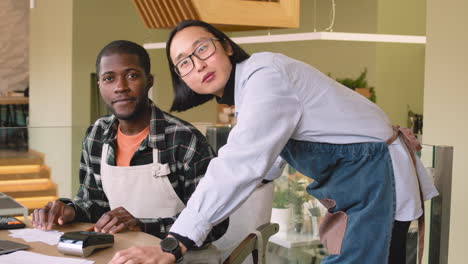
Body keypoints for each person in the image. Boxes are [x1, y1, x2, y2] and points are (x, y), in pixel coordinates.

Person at [109, 21, 439, 264]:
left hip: (377, 180)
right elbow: (270, 153)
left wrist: (176, 242)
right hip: (364, 183)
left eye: (202, 48)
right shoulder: (252, 89)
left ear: (225, 45)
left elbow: (240, 163)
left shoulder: (264, 75)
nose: (198, 64)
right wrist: (260, 178)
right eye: (184, 62)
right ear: (183, 80)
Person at [31, 40, 228, 259]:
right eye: (109, 78)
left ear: (149, 81)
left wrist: (143, 226)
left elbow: (215, 223)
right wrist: (70, 210)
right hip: (122, 257)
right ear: (99, 85)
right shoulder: (97, 135)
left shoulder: (184, 140)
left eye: (132, 75)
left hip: (187, 259)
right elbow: (95, 203)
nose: (120, 87)